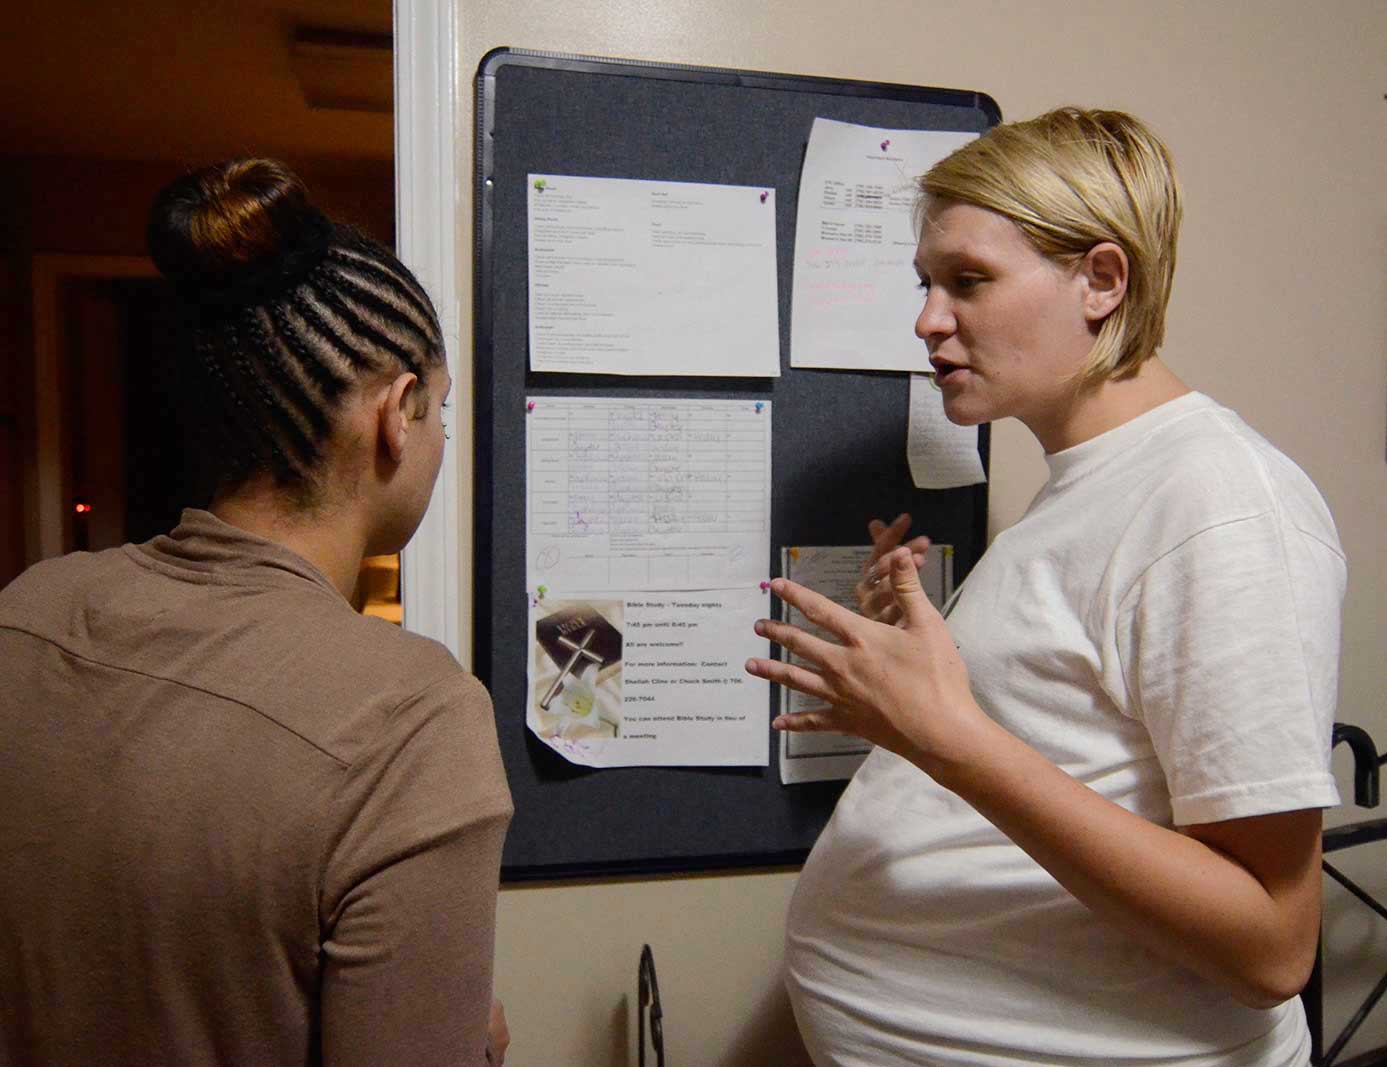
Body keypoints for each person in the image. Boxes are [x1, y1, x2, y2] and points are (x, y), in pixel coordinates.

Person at [746, 108, 1344, 1066]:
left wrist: (946, 734)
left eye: (968, 281)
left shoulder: (1221, 505)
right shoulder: (1085, 484)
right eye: (925, 283)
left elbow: (1271, 943)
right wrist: (913, 682)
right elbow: (1069, 742)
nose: (927, 319)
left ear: (1101, 281)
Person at [0, 160, 513, 1066]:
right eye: (439, 409)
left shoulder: (30, 610)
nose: (439, 440)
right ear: (396, 414)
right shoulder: (410, 715)